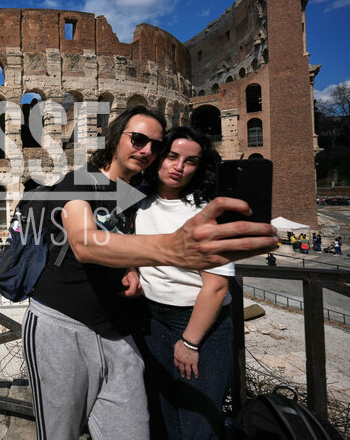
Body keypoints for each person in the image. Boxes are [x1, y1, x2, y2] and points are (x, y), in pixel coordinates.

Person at [22, 106, 277, 440]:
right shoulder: (78, 181)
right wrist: (171, 248)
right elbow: (85, 243)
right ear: (116, 137)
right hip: (62, 323)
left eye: (156, 146)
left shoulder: (135, 194)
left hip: (118, 330)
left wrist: (131, 267)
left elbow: (122, 236)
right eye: (138, 139)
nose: (146, 151)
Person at [134, 127, 232, 439]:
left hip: (200, 323)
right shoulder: (138, 203)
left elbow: (217, 285)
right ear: (158, 158)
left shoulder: (208, 210)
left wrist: (190, 342)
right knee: (161, 418)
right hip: (152, 319)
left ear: (199, 168)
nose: (179, 167)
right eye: (172, 157)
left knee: (197, 424)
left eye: (190, 161)